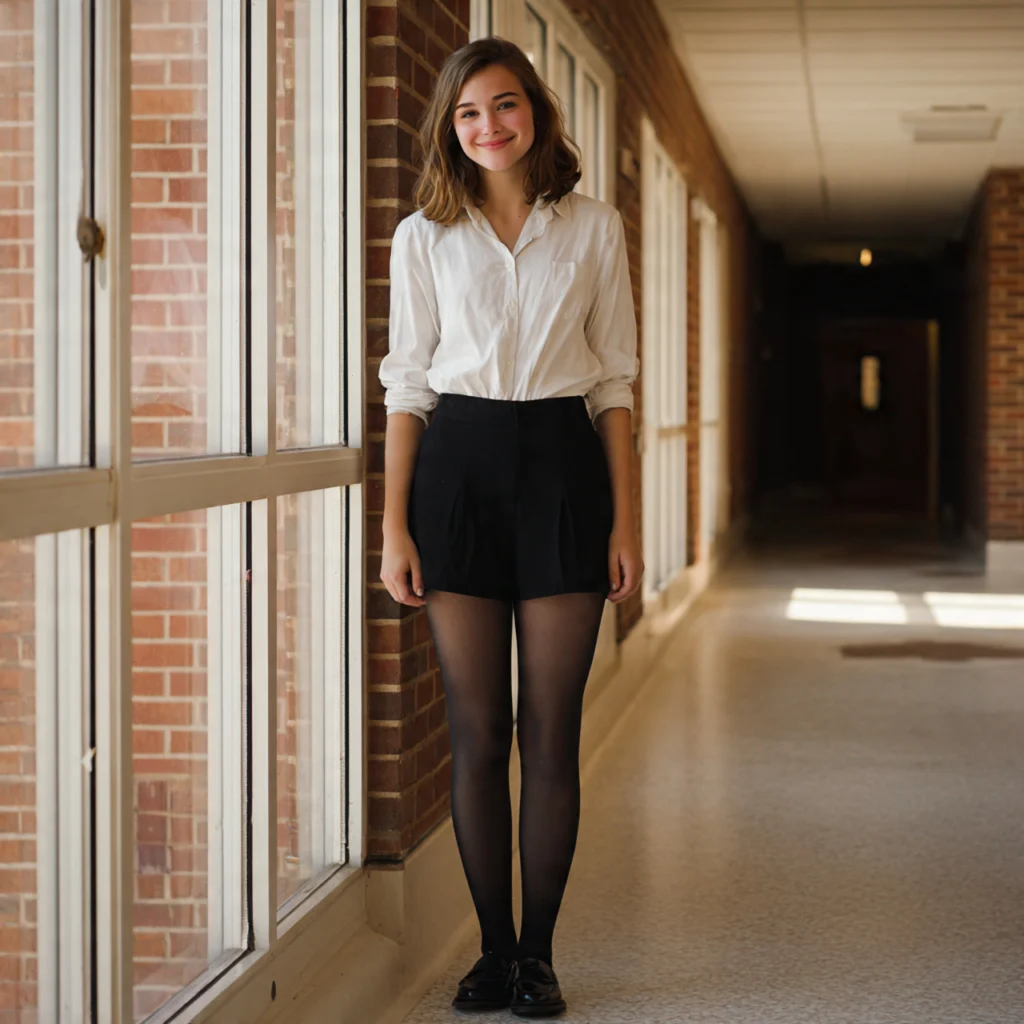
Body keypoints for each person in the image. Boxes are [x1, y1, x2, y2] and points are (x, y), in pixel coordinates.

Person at [378, 36, 642, 1018]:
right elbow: (408, 388)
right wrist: (395, 527)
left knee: (552, 732)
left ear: (535, 109)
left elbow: (612, 382)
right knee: (479, 731)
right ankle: (490, 951)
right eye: (467, 114)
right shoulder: (423, 237)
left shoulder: (594, 228)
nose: (488, 126)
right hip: (459, 470)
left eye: (504, 105)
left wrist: (622, 521)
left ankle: (540, 955)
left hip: (565, 469)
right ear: (449, 128)